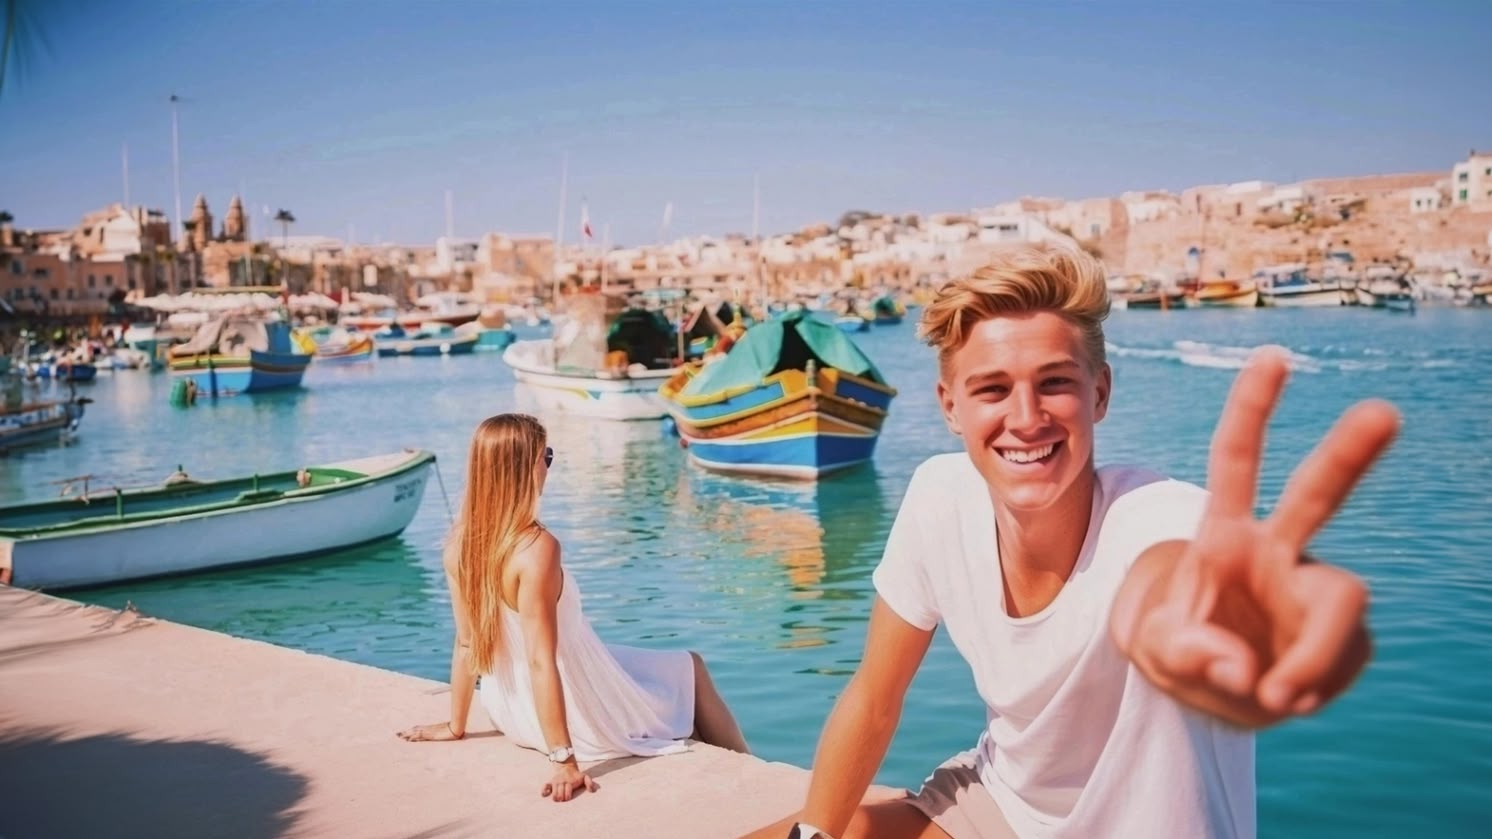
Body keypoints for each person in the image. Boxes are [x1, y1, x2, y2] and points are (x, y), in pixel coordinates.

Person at [746, 243, 1397, 839]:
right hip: (998, 807)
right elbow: (874, 697)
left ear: (1100, 392)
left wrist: (1264, 615)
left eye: (1055, 382)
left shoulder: (1159, 521)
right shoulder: (937, 498)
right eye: (993, 389)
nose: (1026, 419)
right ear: (950, 406)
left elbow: (1180, 581)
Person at [398, 413, 749, 803]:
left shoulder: (459, 545)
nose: (549, 466)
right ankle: (754, 775)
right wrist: (563, 759)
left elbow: (466, 644)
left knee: (667, 678)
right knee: (692, 668)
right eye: (545, 456)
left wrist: (455, 724)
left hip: (509, 706)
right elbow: (540, 661)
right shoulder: (536, 549)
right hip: (575, 709)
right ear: (523, 469)